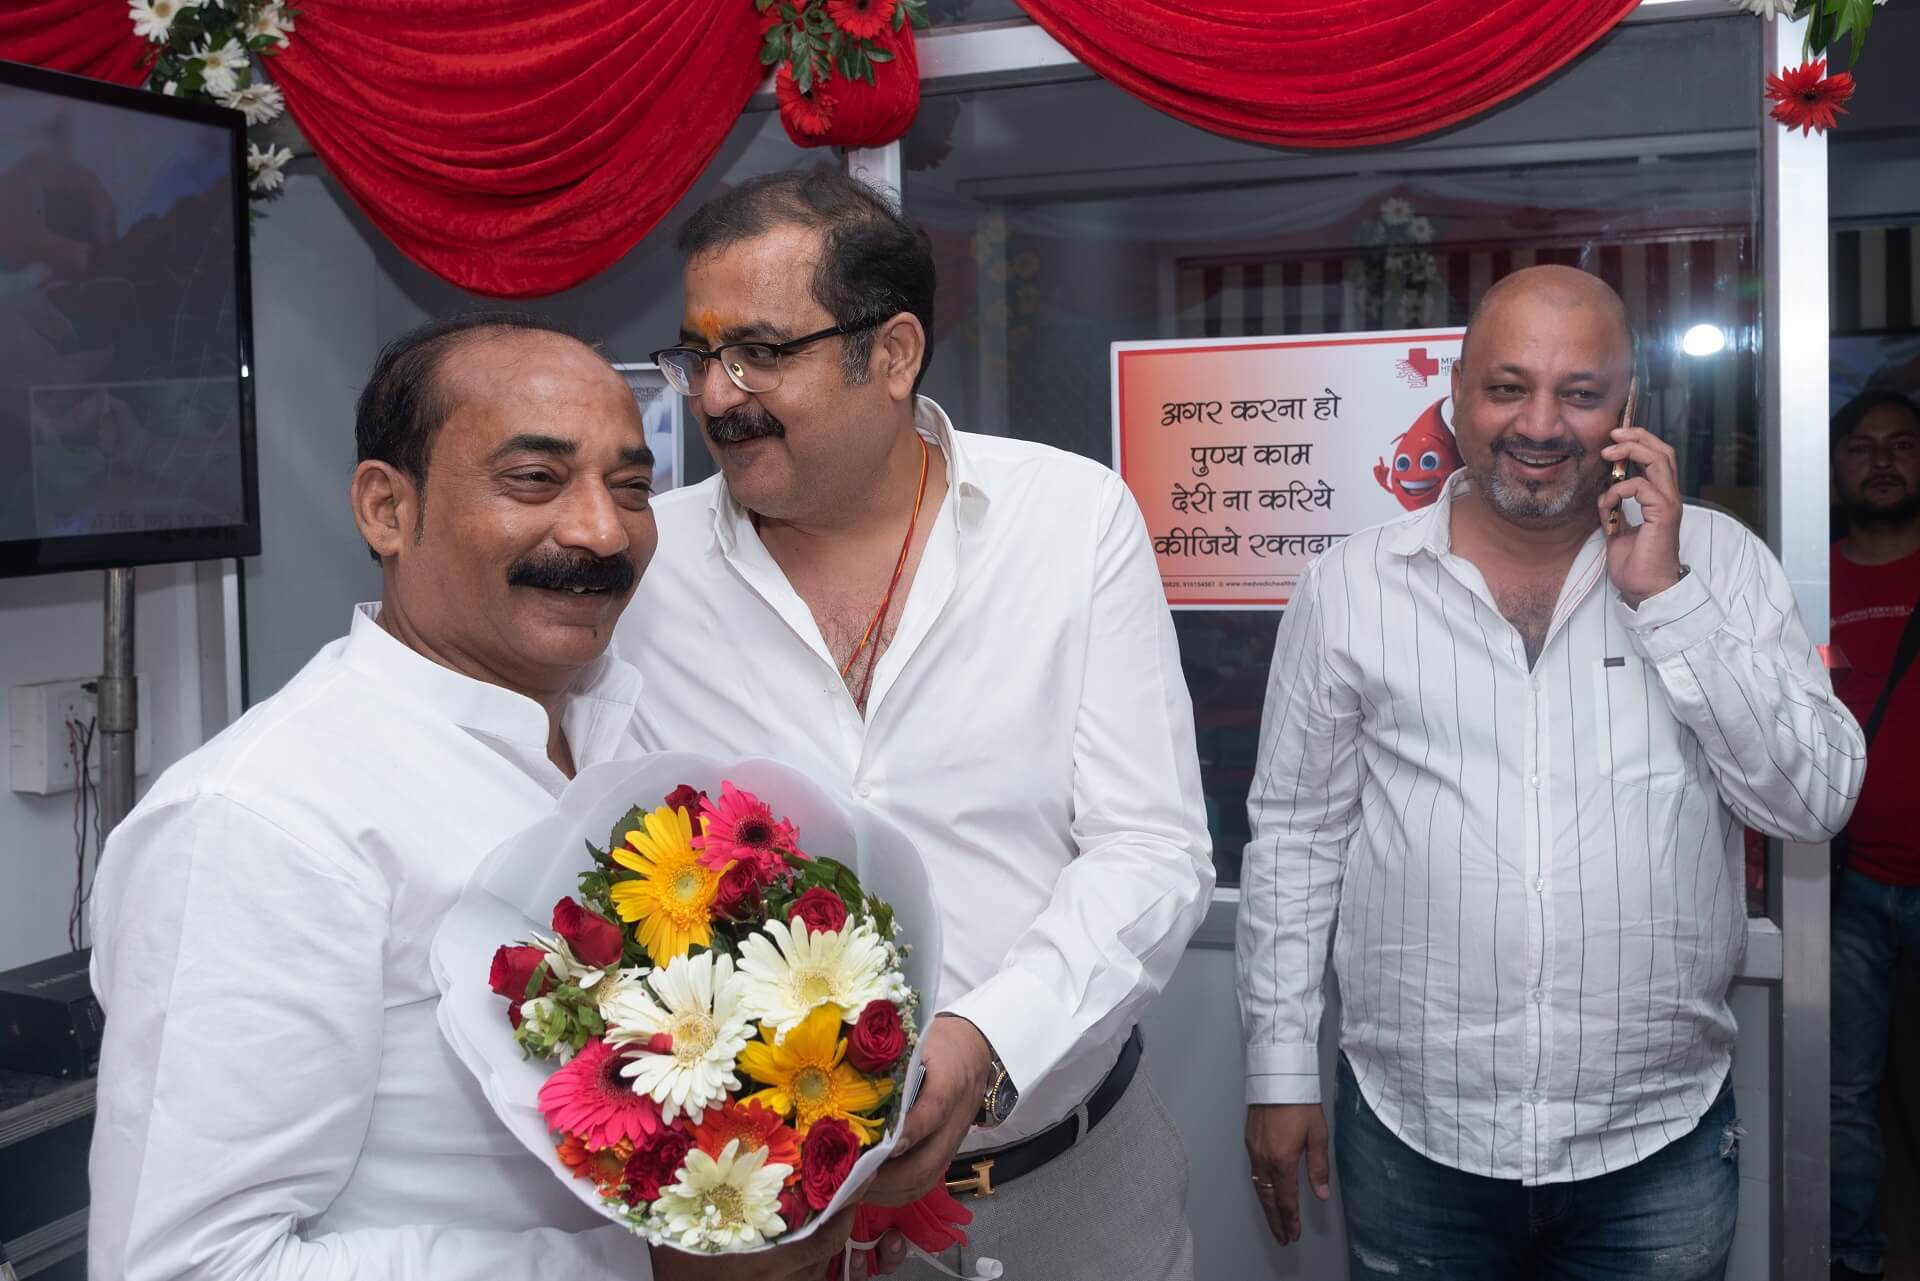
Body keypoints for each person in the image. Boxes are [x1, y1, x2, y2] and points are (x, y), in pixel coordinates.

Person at [86, 313, 878, 1281]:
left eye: (632, 488)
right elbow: (189, 1267)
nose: (601, 531)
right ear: (387, 509)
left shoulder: (628, 741)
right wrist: (643, 1271)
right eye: (535, 479)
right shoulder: (259, 822)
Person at [617, 168, 1213, 1280]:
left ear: (892, 354)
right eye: (699, 356)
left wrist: (985, 1042)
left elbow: (1152, 847)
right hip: (763, 1218)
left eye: (760, 351)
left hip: (1063, 1190)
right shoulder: (645, 569)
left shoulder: (1067, 520)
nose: (717, 397)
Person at [1234, 265, 1864, 1279]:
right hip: (1413, 1135)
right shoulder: (1349, 585)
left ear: (1629, 407)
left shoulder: (1722, 564)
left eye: (1579, 392)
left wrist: (1667, 598)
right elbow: (1297, 837)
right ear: (1455, 395)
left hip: (1655, 1141)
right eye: (1507, 387)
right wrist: (1277, 1072)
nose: (1539, 423)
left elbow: (1813, 801)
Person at [1828, 388, 1920, 1281]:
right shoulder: (1805, 582)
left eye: (1900, 444)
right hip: (1841, 885)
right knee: (1842, 1092)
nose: (1882, 461)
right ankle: (1852, 1259)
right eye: (1861, 446)